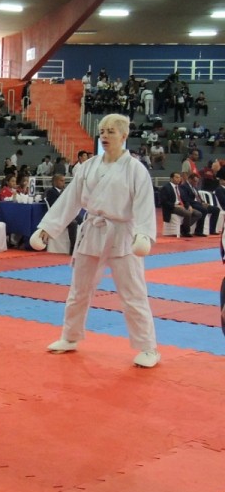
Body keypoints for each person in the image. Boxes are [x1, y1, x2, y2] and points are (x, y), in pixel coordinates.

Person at [33, 114, 160, 368]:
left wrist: (143, 234)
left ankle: (148, 348)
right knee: (79, 290)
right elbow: (70, 200)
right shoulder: (88, 166)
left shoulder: (135, 169)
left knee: (133, 293)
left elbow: (144, 205)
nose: (104, 136)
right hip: (92, 230)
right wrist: (47, 228)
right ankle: (70, 336)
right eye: (102, 131)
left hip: (122, 234)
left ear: (124, 136)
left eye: (111, 131)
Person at [160, 172, 202, 238]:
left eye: (179, 177)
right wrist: (174, 205)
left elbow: (185, 199)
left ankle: (182, 227)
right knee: (188, 213)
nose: (178, 179)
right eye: (176, 177)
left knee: (198, 214)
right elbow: (163, 201)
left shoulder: (180, 188)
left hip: (182, 205)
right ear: (171, 178)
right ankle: (186, 232)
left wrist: (188, 206)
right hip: (172, 207)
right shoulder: (166, 188)